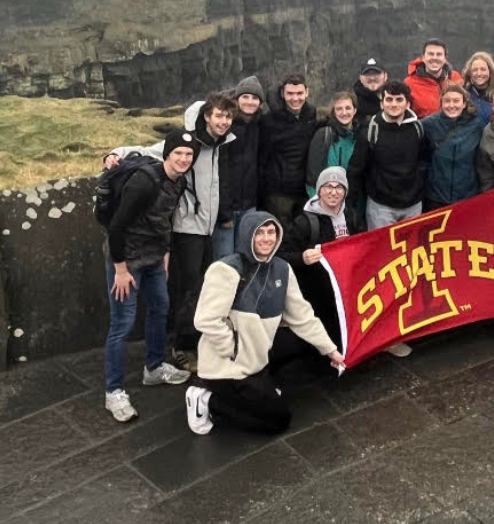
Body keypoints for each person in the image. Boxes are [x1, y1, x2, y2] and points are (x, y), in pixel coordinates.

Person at [104, 93, 238, 372]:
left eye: (228, 116)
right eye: (219, 116)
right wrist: (116, 153)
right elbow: (150, 150)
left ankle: (193, 341)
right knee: (187, 290)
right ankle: (183, 347)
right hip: (186, 228)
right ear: (206, 117)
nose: (224, 121)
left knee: (202, 286)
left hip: (206, 227)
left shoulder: (219, 145)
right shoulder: (189, 143)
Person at [185, 211, 344, 435]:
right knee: (278, 421)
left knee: (303, 343)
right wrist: (232, 349)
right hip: (227, 366)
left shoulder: (282, 268)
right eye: (259, 232)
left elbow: (303, 316)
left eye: (271, 232)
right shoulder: (226, 269)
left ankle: (262, 382)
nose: (267, 238)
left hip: (255, 356)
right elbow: (206, 319)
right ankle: (207, 400)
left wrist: (330, 351)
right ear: (247, 235)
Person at [103, 131, 197, 422]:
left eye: (189, 155)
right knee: (123, 323)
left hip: (155, 258)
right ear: (166, 153)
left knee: (160, 307)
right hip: (127, 260)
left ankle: (154, 368)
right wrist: (120, 269)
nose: (183, 159)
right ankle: (113, 391)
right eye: (178, 153)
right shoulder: (144, 182)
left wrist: (165, 254)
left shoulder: (179, 181)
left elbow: (164, 219)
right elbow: (116, 227)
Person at [279, 167, 365, 350]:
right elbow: (282, 256)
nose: (333, 192)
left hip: (347, 291)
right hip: (318, 295)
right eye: (328, 187)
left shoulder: (352, 215)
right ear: (319, 190)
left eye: (339, 187)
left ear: (345, 192)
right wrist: (302, 258)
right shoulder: (304, 222)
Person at [348, 80, 427, 230]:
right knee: (381, 251)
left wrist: (419, 187)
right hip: (381, 206)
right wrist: (350, 203)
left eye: (399, 100)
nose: (394, 104)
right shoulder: (371, 130)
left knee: (411, 251)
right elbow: (356, 169)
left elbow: (423, 161)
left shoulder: (417, 128)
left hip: (413, 204)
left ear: (407, 104)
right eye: (389, 99)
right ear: (382, 104)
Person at [259, 73, 322, 227]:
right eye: (290, 94)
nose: (295, 98)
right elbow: (261, 158)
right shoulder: (269, 121)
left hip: (305, 190)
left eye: (299, 93)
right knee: (282, 235)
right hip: (279, 193)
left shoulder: (312, 115)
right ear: (282, 94)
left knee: (307, 233)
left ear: (307, 92)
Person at [217, 75, 265, 259]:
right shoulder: (225, 127)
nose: (250, 102)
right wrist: (224, 211)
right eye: (245, 96)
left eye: (255, 98)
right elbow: (221, 171)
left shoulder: (259, 126)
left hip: (250, 205)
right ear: (237, 99)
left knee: (247, 256)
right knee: (225, 259)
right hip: (227, 207)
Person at [421, 83, 485, 210]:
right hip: (436, 196)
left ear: (464, 104)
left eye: (456, 101)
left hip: (467, 195)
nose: (451, 105)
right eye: (447, 101)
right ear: (441, 103)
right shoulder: (428, 125)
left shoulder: (476, 126)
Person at [305, 92, 358, 199]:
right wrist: (318, 202)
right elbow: (312, 176)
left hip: (353, 202)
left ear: (355, 110)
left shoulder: (360, 137)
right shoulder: (323, 135)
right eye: (339, 109)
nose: (344, 112)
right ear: (333, 112)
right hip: (327, 201)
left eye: (348, 108)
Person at [405, 38, 464, 118]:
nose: (434, 58)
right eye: (430, 54)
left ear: (445, 58)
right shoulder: (410, 83)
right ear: (423, 57)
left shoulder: (456, 78)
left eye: (439, 54)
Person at [462, 51, 494, 126]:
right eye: (475, 70)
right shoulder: (463, 95)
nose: (479, 73)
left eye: (483, 69)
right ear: (470, 73)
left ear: (490, 72)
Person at [353, 58, 388, 123]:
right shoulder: (353, 102)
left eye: (376, 73)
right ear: (360, 78)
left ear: (385, 76)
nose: (372, 78)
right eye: (367, 74)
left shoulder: (396, 99)